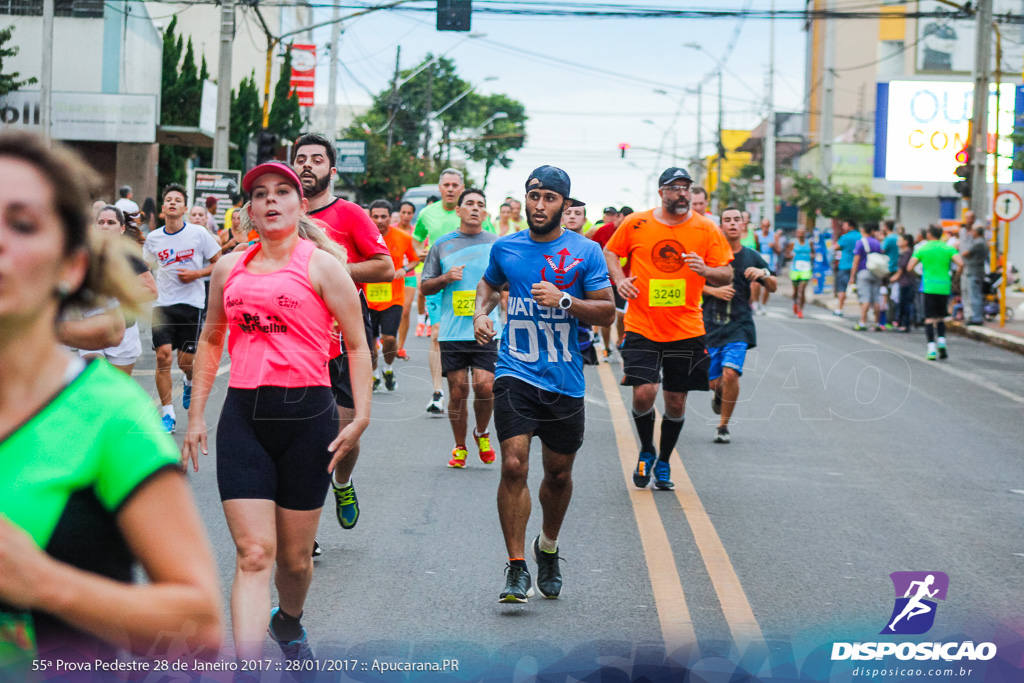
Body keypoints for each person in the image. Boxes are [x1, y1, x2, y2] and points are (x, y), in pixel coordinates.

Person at [0, 132, 222, 673]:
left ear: (72, 266)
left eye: (23, 224)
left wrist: (45, 585)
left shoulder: (111, 418)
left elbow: (200, 624)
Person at [182, 161, 371, 667]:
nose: (271, 200)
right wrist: (197, 414)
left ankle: (287, 620)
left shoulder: (323, 266)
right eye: (260, 193)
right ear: (249, 209)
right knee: (253, 555)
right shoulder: (229, 267)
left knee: (294, 561)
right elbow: (211, 338)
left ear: (300, 203)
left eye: (282, 192)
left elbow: (356, 344)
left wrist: (361, 417)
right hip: (245, 416)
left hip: (309, 419)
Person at [474, 166, 615, 603]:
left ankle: (547, 547)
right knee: (514, 465)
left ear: (565, 205)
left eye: (550, 198)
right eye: (534, 195)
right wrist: (480, 314)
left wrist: (565, 300)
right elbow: (488, 283)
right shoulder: (506, 247)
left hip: (565, 379)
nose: (539, 205)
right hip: (516, 370)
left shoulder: (586, 252)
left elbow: (608, 310)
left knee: (558, 474)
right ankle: (517, 568)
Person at [605, 167, 733, 491]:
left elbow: (726, 273)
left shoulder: (706, 228)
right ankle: (646, 449)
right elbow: (610, 251)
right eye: (675, 188)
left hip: (687, 328)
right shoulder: (636, 222)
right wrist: (620, 280)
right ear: (661, 191)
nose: (682, 194)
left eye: (686, 188)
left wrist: (706, 270)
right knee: (644, 392)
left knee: (676, 401)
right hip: (642, 324)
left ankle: (663, 460)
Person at [291, 133, 393, 532]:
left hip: (347, 329)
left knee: (346, 427)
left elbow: (384, 267)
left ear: (331, 170)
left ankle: (343, 482)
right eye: (301, 158)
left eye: (317, 159)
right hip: (297, 333)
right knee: (302, 436)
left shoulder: (349, 214)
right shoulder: (282, 213)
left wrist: (329, 275)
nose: (307, 165)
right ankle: (306, 529)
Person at [420, 188, 501, 468]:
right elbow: (424, 285)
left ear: (486, 212)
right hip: (453, 330)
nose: (475, 208)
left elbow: (508, 283)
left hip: (487, 326)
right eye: (470, 204)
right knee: (457, 391)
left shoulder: (497, 244)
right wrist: (445, 277)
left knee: (485, 386)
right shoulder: (442, 245)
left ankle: (482, 432)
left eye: (481, 204)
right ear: (459, 210)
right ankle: (460, 446)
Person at [414, 169, 496, 415]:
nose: (450, 189)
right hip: (443, 282)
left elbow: (492, 253)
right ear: (440, 188)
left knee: (483, 384)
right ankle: (438, 391)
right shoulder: (427, 213)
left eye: (455, 185)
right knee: (436, 332)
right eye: (446, 185)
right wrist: (422, 255)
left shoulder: (484, 223)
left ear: (461, 187)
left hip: (475, 289)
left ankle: (478, 426)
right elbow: (417, 239)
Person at [143, 184, 222, 433]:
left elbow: (219, 263)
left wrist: (197, 273)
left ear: (185, 208)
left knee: (186, 362)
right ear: (164, 208)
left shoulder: (198, 234)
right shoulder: (154, 238)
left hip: (191, 305)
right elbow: (144, 268)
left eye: (178, 200)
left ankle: (188, 380)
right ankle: (168, 414)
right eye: (169, 200)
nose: (173, 203)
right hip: (162, 305)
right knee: (162, 356)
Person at [703, 208, 776, 444]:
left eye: (737, 220)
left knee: (731, 373)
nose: (732, 224)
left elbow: (773, 286)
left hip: (740, 324)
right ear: (721, 226)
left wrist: (763, 273)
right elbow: (690, 282)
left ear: (743, 225)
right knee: (714, 382)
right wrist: (714, 290)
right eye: (727, 220)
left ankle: (722, 426)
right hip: (711, 324)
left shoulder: (752, 256)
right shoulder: (711, 255)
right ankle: (718, 393)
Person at [66, 206, 157, 375]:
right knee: (94, 382)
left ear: (122, 229)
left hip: (125, 330)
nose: (105, 226)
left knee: (116, 389)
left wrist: (120, 292)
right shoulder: (83, 255)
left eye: (111, 222)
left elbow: (151, 290)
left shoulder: (129, 256)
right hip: (92, 326)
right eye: (101, 222)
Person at [366, 199, 418, 391]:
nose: (379, 220)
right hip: (368, 299)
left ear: (390, 217)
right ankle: (374, 374)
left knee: (389, 339)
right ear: (370, 217)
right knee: (369, 345)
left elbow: (414, 260)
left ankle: (388, 368)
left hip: (393, 298)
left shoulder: (403, 237)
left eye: (383, 216)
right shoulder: (362, 236)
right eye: (375, 216)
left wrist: (404, 269)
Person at [907, 225, 963, 360]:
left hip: (928, 286)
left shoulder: (922, 248)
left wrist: (918, 276)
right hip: (944, 286)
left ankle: (931, 349)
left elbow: (909, 267)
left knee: (929, 318)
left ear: (929, 234)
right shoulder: (948, 248)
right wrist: (955, 278)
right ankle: (942, 343)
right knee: (941, 317)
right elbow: (961, 263)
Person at [562, 200, 600, 366]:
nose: (572, 217)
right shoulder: (548, 245)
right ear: (561, 217)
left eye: (577, 214)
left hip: (580, 316)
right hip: (552, 315)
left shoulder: (591, 249)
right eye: (568, 213)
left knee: (576, 370)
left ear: (585, 220)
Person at [588, 207, 627, 358]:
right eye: (621, 218)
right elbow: (591, 250)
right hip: (604, 280)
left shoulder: (631, 231)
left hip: (624, 281)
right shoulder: (603, 230)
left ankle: (619, 343)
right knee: (606, 317)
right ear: (618, 217)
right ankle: (606, 346)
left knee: (622, 316)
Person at [394, 200, 419, 359]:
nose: (406, 216)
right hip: (391, 278)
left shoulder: (416, 233)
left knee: (405, 311)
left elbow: (418, 255)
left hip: (408, 276)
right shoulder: (391, 231)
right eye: (403, 212)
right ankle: (386, 337)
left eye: (409, 213)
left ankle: (400, 347)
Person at [850, 222, 885, 331]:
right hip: (876, 272)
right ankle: (878, 323)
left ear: (864, 230)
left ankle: (862, 322)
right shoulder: (877, 243)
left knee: (865, 298)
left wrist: (852, 276)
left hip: (864, 271)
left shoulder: (861, 242)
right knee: (876, 299)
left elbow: (856, 260)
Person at [961, 224, 988, 325]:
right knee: (974, 294)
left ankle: (977, 317)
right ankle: (975, 316)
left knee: (975, 295)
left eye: (973, 231)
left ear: (976, 232)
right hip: (975, 272)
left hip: (974, 272)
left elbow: (965, 253)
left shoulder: (979, 243)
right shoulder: (982, 242)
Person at [834, 218, 861, 316]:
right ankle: (864, 311)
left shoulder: (845, 237)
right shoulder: (860, 236)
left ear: (850, 226)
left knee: (841, 288)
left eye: (845, 225)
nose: (843, 227)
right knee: (860, 289)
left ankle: (839, 309)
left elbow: (836, 247)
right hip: (858, 266)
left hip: (844, 265)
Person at [891, 233, 917, 332]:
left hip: (907, 281)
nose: (898, 242)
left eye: (900, 240)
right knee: (903, 303)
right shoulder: (905, 252)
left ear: (906, 242)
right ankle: (902, 323)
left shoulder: (907, 253)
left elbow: (903, 267)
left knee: (905, 303)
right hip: (905, 281)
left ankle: (905, 324)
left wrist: (895, 277)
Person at [787, 225, 814, 318]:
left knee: (802, 290)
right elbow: (787, 254)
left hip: (806, 269)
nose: (801, 234)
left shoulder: (809, 243)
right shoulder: (793, 243)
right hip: (795, 269)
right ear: (797, 233)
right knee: (795, 291)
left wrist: (812, 256)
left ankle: (800, 310)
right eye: (799, 232)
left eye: (803, 232)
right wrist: (791, 255)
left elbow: (813, 253)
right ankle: (795, 302)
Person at [752, 219, 775, 314]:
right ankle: (756, 303)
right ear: (761, 226)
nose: (765, 228)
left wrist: (773, 246)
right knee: (756, 284)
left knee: (767, 285)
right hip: (759, 264)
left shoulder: (773, 236)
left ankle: (763, 305)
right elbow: (755, 247)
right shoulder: (756, 235)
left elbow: (778, 250)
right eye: (764, 226)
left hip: (770, 264)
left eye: (767, 226)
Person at [881, 219, 900, 325]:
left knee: (887, 295)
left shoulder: (888, 239)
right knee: (895, 295)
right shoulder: (898, 238)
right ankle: (895, 318)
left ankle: (889, 318)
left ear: (886, 227)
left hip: (889, 268)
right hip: (898, 269)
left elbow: (881, 250)